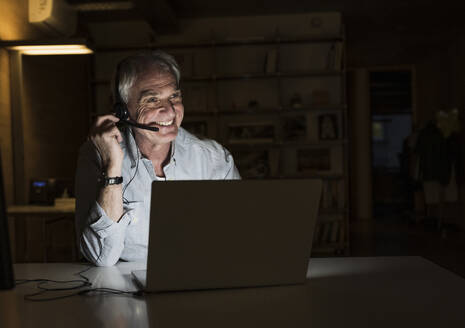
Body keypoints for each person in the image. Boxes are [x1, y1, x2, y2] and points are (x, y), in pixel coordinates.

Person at [75, 51, 241, 267]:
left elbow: (240, 237)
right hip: (125, 293)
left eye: (174, 96)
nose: (170, 111)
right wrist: (112, 167)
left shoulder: (213, 158)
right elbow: (100, 257)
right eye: (152, 99)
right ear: (123, 111)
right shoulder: (96, 156)